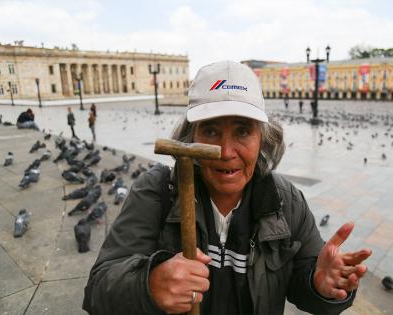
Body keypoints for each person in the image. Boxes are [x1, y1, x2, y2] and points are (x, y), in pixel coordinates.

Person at [83, 61, 371, 315]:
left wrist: (320, 285)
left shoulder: (286, 201)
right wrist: (149, 285)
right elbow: (98, 291)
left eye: (243, 131)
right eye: (210, 130)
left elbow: (305, 286)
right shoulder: (157, 192)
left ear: (264, 139)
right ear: (189, 136)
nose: (225, 151)